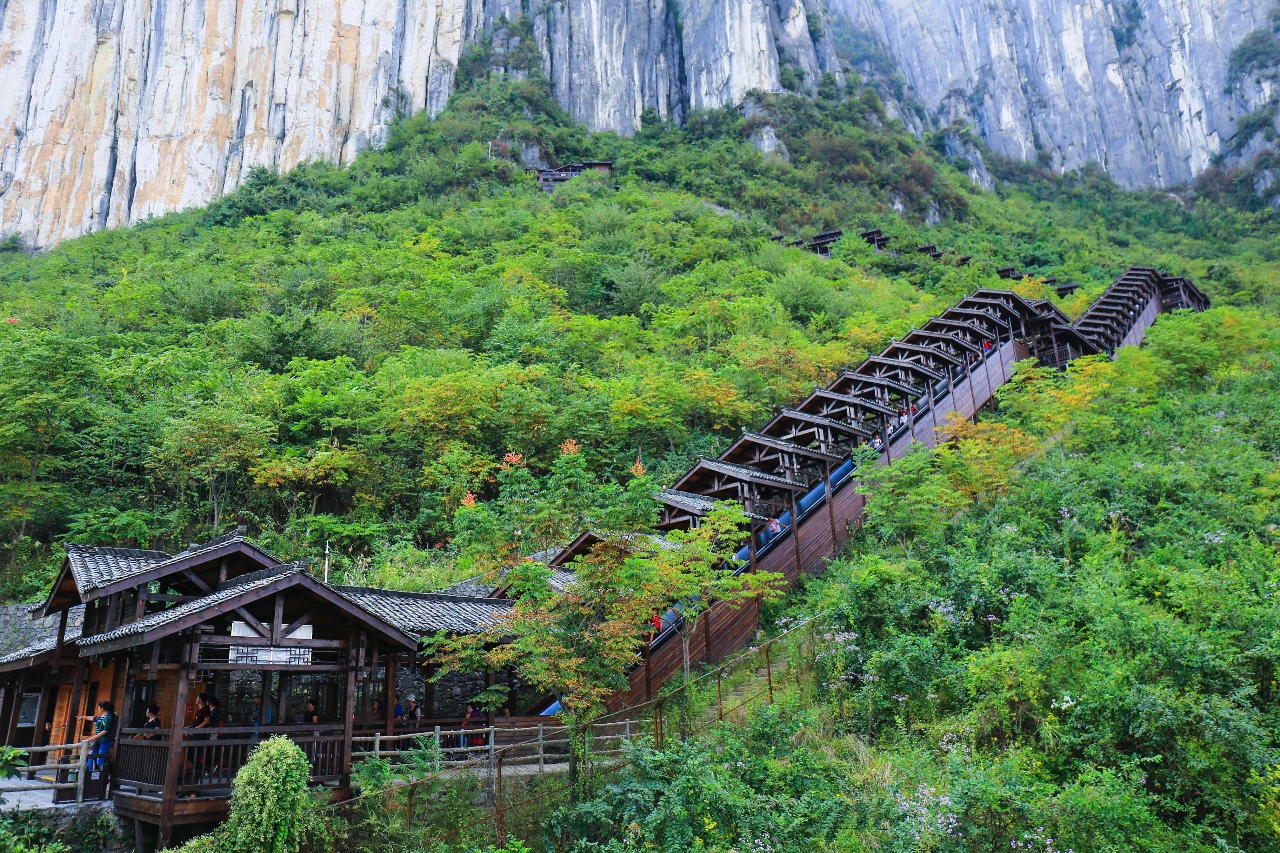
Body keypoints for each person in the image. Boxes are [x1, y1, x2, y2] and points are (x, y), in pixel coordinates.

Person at [76, 700, 118, 770]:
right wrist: (83, 717)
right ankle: (90, 774)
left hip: (106, 740)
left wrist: (92, 738)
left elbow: (106, 730)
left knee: (100, 759)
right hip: (98, 741)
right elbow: (93, 718)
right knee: (90, 756)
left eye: (99, 707)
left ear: (102, 708)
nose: (98, 708)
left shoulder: (110, 717)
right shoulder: (103, 717)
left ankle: (101, 776)